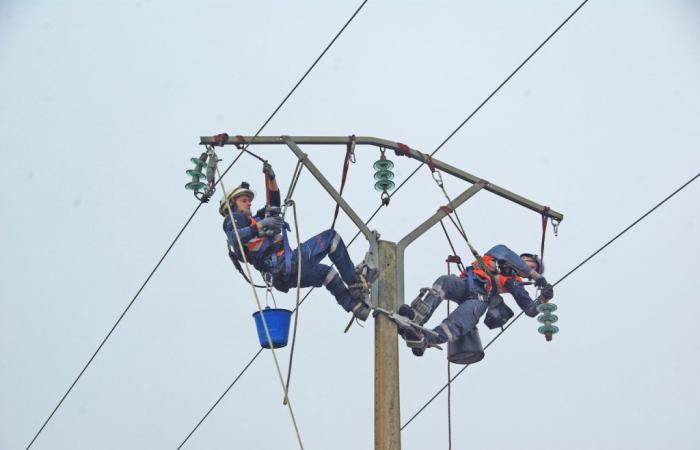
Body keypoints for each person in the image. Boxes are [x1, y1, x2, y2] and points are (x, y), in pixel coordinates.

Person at [221, 162, 376, 320]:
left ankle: (355, 307)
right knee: (331, 238)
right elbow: (235, 237)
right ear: (232, 204)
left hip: (283, 275)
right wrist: (261, 225)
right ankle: (355, 283)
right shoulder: (233, 219)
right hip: (285, 265)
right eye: (244, 200)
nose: (249, 203)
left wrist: (271, 179)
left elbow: (273, 205)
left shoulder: (254, 219)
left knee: (327, 274)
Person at [397, 244, 554, 355]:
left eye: (534, 271)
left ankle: (424, 339)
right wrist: (536, 276)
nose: (531, 271)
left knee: (460, 320)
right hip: (465, 284)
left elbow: (530, 310)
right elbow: (509, 255)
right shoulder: (498, 253)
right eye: (533, 266)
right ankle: (416, 317)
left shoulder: (514, 281)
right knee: (445, 281)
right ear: (525, 257)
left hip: (479, 298)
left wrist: (542, 298)